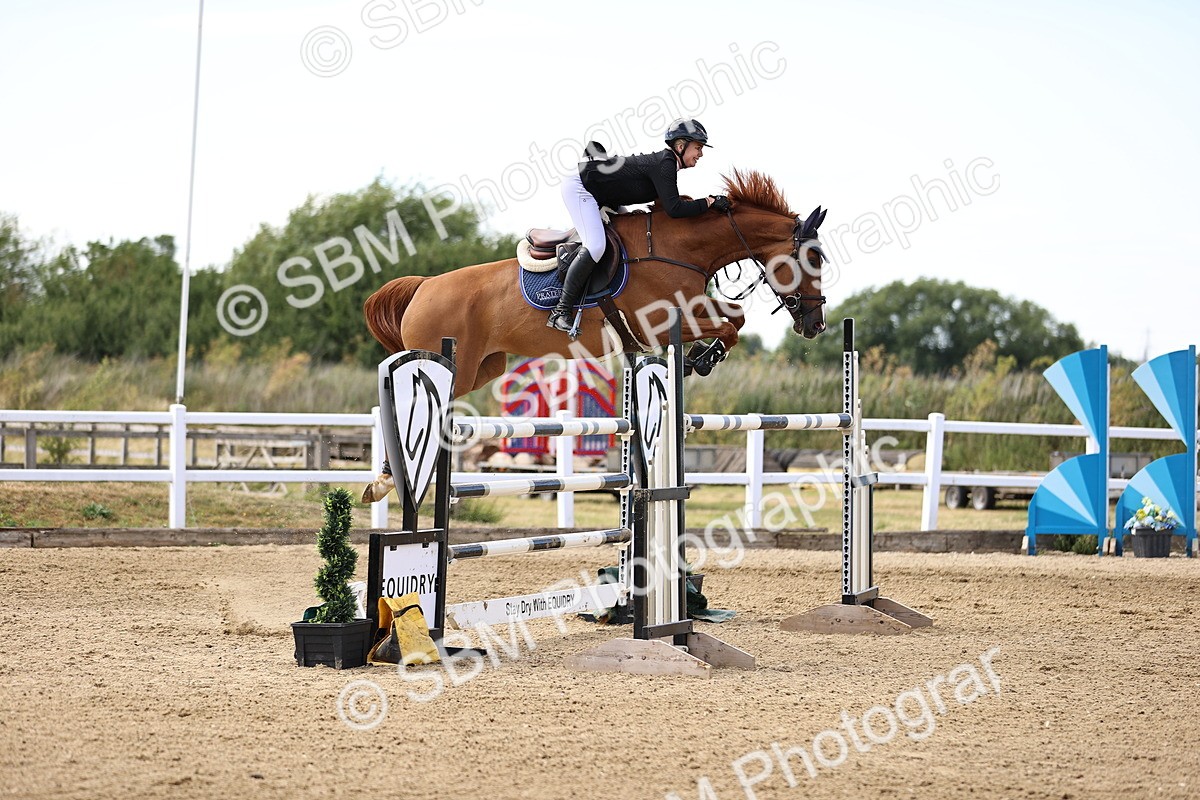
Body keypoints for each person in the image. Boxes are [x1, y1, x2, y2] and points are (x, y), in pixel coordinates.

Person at [547, 118, 731, 333]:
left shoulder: (668, 165)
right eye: (698, 147)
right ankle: (560, 310)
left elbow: (668, 208)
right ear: (680, 146)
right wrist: (709, 202)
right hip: (581, 187)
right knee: (596, 245)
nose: (701, 153)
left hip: (605, 196)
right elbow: (675, 209)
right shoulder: (666, 163)